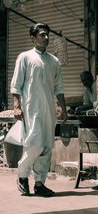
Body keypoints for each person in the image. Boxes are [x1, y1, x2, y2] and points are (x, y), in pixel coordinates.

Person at [11, 22, 67, 197]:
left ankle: (40, 183)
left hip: (48, 109)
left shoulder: (54, 61)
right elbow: (16, 85)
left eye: (47, 34)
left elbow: (59, 88)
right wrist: (16, 106)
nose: (46, 37)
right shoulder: (25, 57)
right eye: (42, 34)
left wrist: (62, 108)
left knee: (47, 146)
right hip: (31, 108)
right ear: (33, 38)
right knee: (33, 144)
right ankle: (22, 176)